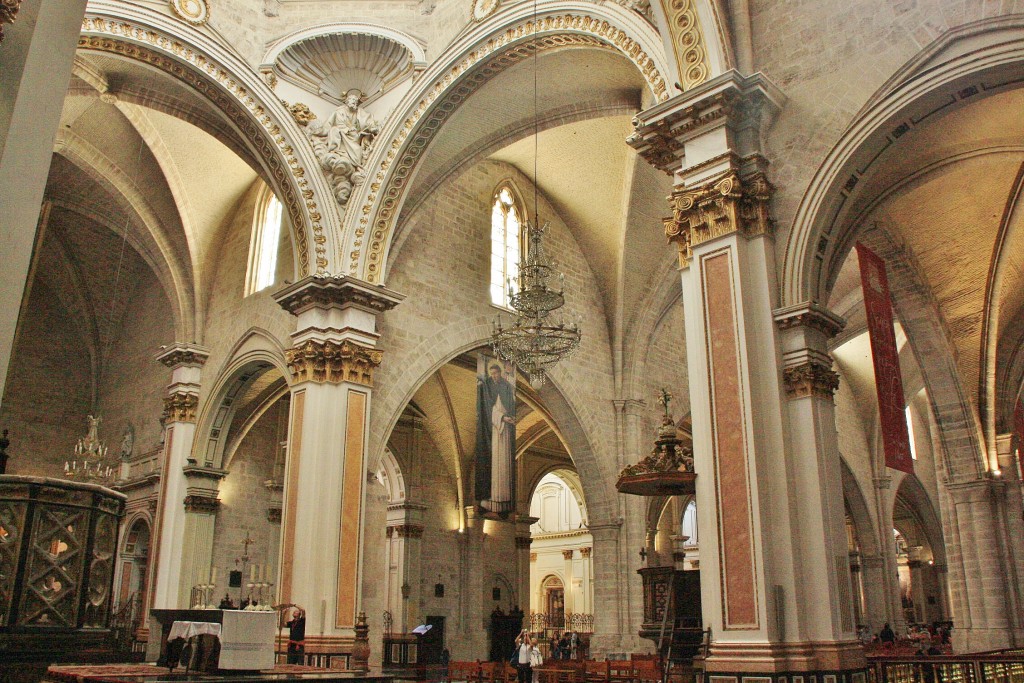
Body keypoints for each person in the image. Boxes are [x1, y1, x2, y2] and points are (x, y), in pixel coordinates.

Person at [475, 358, 516, 516]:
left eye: (496, 373)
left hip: (505, 434)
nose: (494, 376)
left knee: (505, 465)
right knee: (494, 465)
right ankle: (489, 502)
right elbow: (488, 408)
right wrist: (502, 418)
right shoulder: (487, 387)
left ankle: (504, 504)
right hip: (493, 431)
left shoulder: (506, 387)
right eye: (491, 374)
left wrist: (511, 418)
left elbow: (511, 405)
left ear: (500, 373)